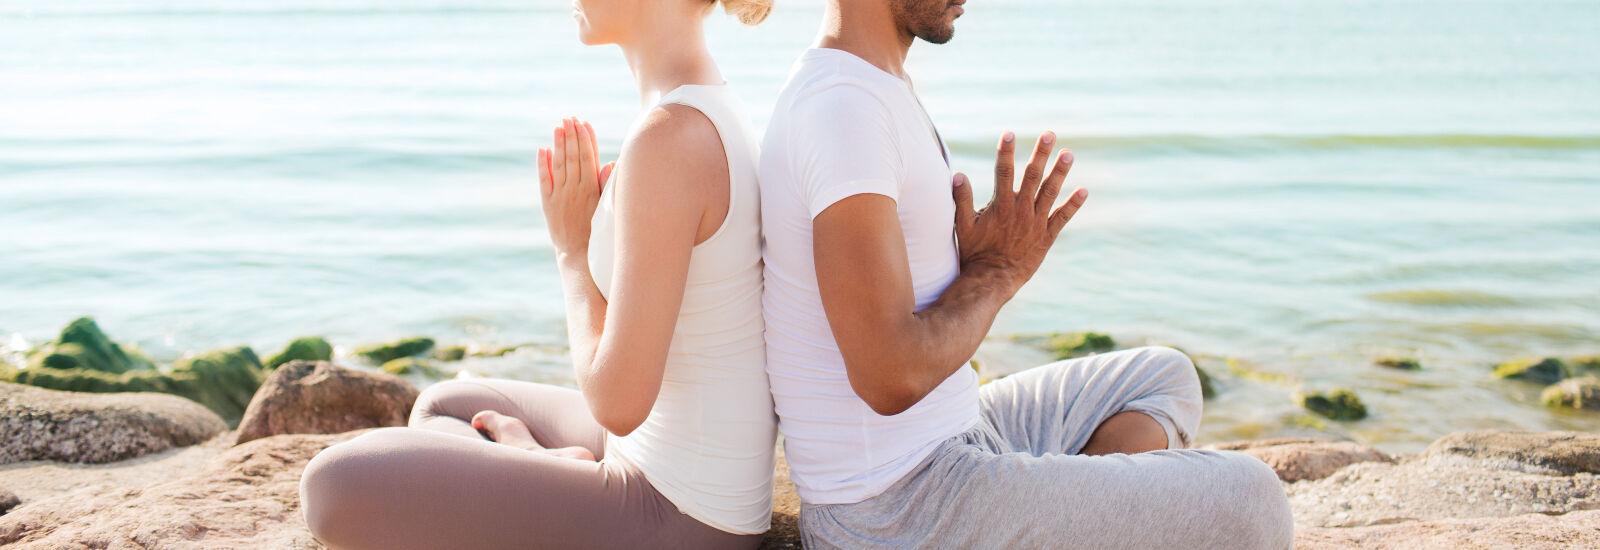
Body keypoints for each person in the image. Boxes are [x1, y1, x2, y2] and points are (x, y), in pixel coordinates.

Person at [758, 0, 1296, 548]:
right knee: (1255, 500)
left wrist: (963, 266)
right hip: (896, 503)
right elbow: (888, 375)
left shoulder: (877, 83)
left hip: (956, 431)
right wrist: (995, 274)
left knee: (1165, 377)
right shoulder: (842, 109)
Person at [298, 0, 777, 548]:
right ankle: (552, 465)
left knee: (331, 487)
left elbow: (617, 404)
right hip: (660, 456)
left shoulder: (670, 140)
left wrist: (572, 250)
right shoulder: (699, 107)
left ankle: (549, 465)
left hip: (675, 511)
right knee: (446, 404)